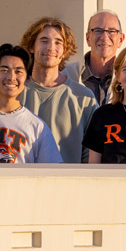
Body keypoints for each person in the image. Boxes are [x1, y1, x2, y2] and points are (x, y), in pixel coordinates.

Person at [18, 17, 97, 163]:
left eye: (58, 42)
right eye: (44, 40)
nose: (50, 47)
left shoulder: (84, 99)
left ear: (65, 51)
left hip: (68, 183)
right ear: (31, 47)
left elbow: (91, 156)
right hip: (22, 182)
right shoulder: (15, 94)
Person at [64, 10, 124, 105]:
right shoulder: (66, 75)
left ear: (120, 40)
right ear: (88, 38)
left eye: (111, 31)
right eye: (98, 31)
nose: (104, 37)